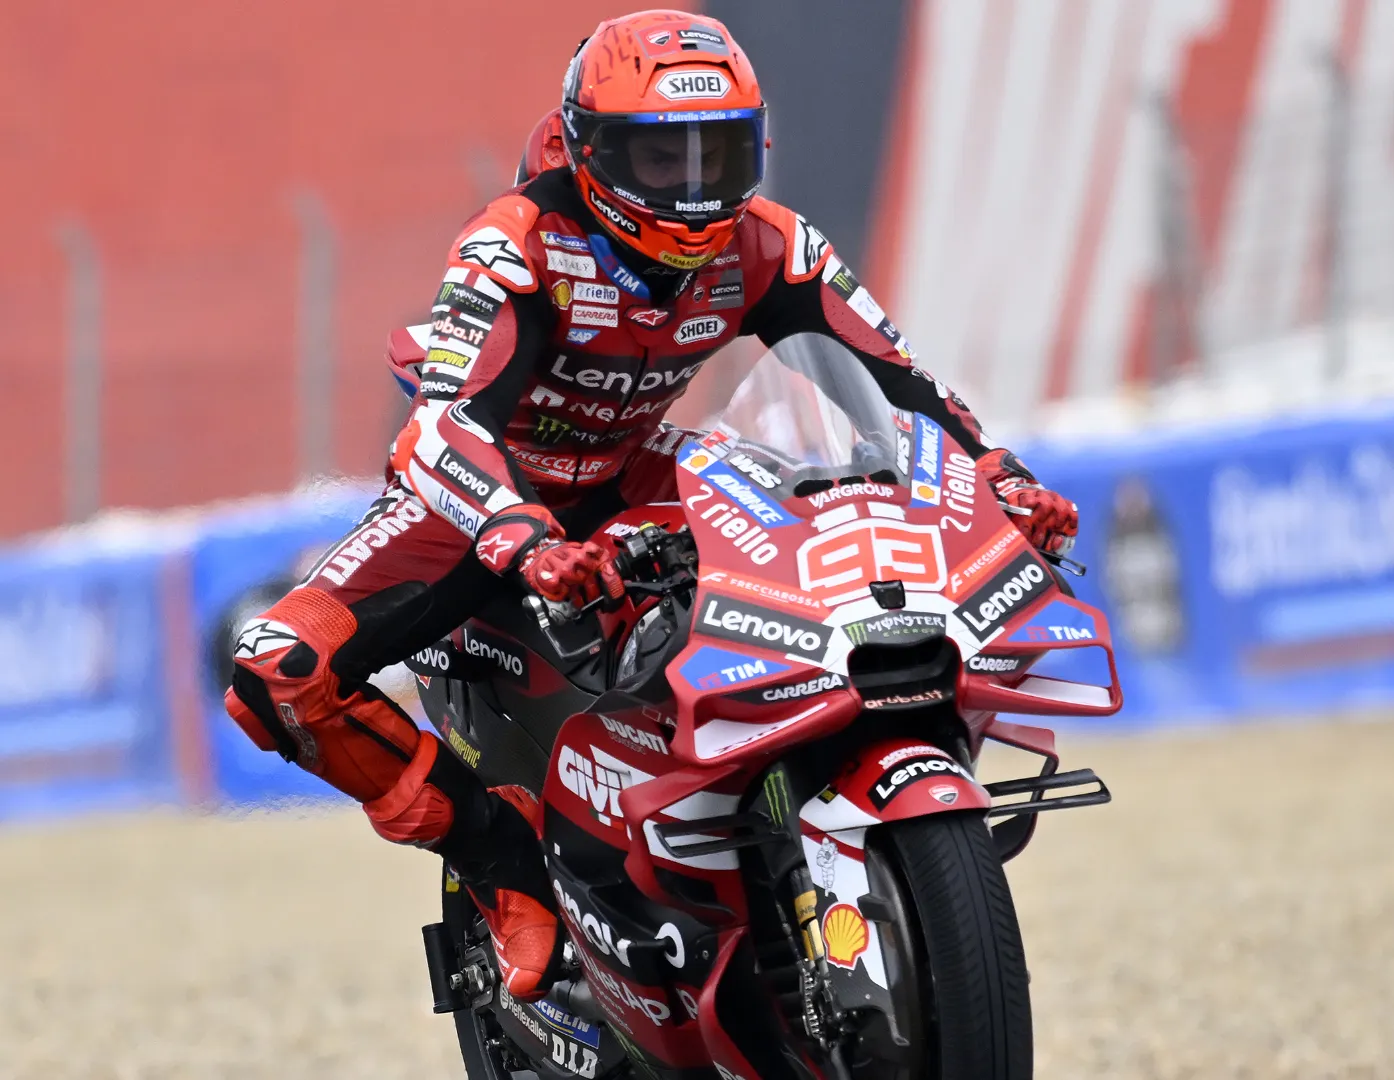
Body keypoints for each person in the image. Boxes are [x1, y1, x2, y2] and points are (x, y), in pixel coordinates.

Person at [223, 10, 1077, 1001]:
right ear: (590, 149)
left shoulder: (774, 242)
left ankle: (817, 789)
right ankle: (500, 858)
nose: (694, 187)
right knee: (275, 671)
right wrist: (516, 533)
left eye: (719, 153)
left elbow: (901, 382)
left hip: (635, 471)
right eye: (660, 156)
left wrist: (999, 474)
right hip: (484, 496)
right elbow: (443, 424)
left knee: (825, 518)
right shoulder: (514, 244)